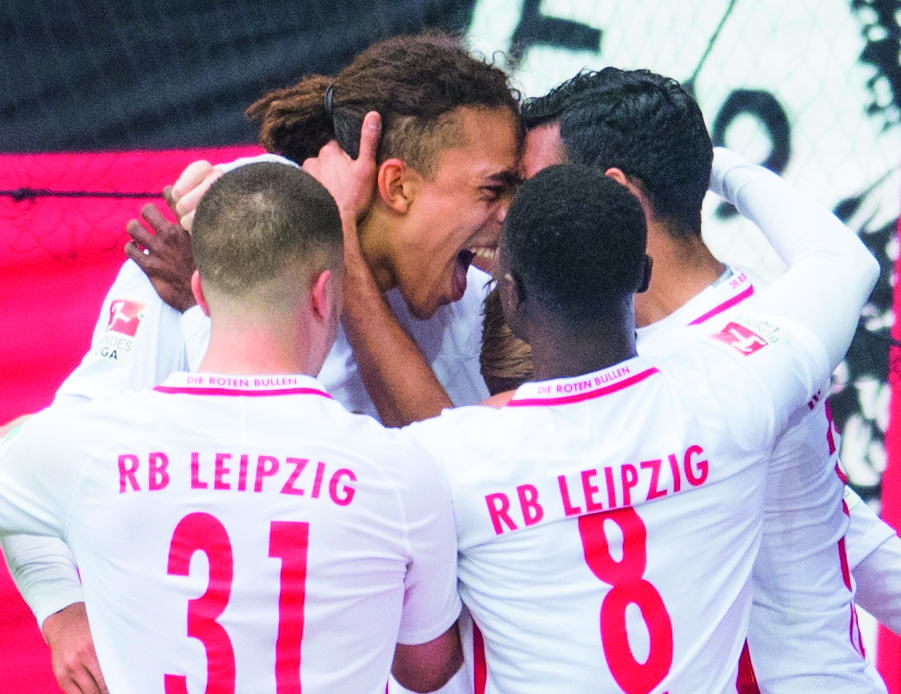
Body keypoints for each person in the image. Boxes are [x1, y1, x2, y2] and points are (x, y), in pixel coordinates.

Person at [0, 32, 517, 694]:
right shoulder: (208, 244)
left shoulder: (480, 298)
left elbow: (481, 492)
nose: (507, 218)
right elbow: (38, 461)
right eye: (492, 189)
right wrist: (62, 614)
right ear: (395, 185)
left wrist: (351, 279)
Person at [479, 67, 895, 691]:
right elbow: (841, 525)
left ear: (618, 193)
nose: (517, 215)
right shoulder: (768, 316)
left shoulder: (705, 365)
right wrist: (708, 164)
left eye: (537, 189)